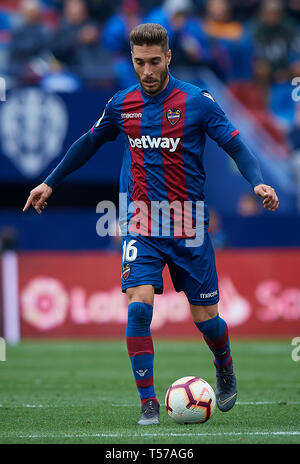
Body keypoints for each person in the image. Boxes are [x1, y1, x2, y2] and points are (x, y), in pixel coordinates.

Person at [23, 23, 279, 426]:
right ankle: (148, 403)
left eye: (154, 62)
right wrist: (50, 182)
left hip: (189, 224)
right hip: (140, 222)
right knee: (138, 309)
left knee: (207, 320)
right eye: (139, 62)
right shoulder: (122, 104)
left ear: (168, 57)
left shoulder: (198, 102)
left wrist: (257, 180)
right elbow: (88, 142)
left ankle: (224, 365)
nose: (147, 71)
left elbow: (235, 144)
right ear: (132, 59)